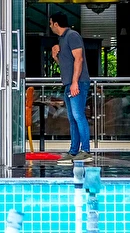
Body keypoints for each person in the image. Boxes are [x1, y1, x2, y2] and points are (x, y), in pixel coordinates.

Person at [49, 14, 92, 163]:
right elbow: (66, 63)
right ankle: (74, 151)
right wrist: (55, 57)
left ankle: (85, 150)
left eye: (51, 23)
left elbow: (79, 59)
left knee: (78, 115)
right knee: (72, 117)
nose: (50, 26)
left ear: (56, 24)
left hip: (77, 83)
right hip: (69, 83)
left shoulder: (72, 35)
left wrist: (75, 82)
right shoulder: (62, 39)